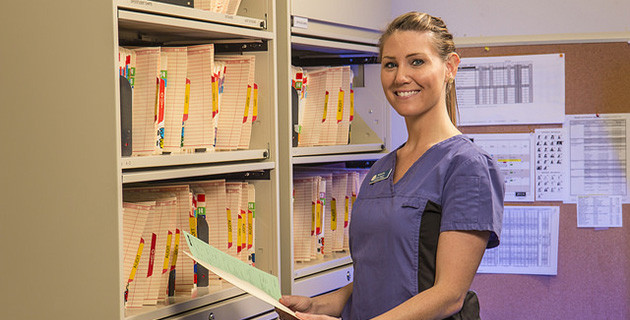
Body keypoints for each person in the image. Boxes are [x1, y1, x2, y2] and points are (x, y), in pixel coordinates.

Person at [279, 11, 505, 320]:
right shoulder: (380, 169)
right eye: (390, 64)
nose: (400, 77)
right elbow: (378, 280)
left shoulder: (467, 167)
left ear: (450, 67)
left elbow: (449, 295)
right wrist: (317, 306)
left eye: (416, 61)